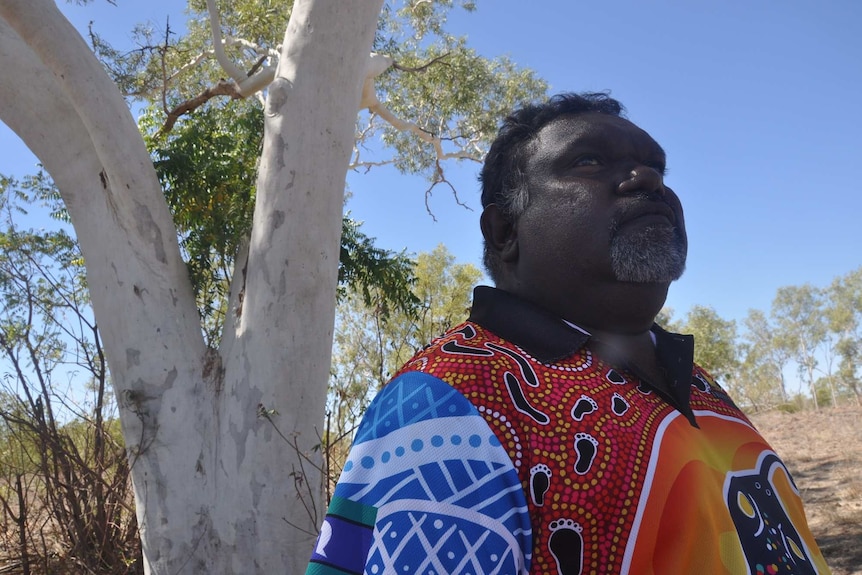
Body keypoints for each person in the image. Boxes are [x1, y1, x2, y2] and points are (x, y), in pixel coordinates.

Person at [306, 93, 831, 575]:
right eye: (589, 162)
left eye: (656, 167)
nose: (646, 179)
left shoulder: (700, 384)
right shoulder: (454, 398)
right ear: (505, 231)